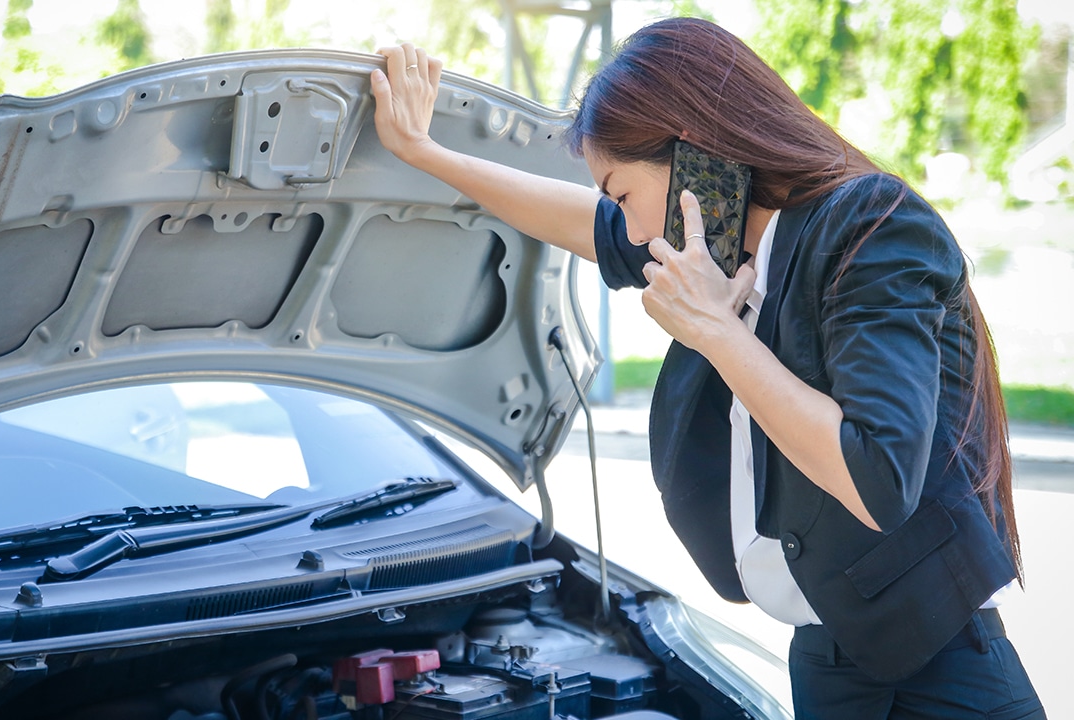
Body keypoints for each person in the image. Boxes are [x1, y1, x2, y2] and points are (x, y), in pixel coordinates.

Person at [368, 17, 1045, 720]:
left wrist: (720, 333)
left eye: (624, 195)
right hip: (826, 655)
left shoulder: (871, 225)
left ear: (694, 152)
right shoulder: (717, 243)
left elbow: (877, 477)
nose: (630, 233)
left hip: (933, 666)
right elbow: (577, 220)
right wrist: (424, 152)